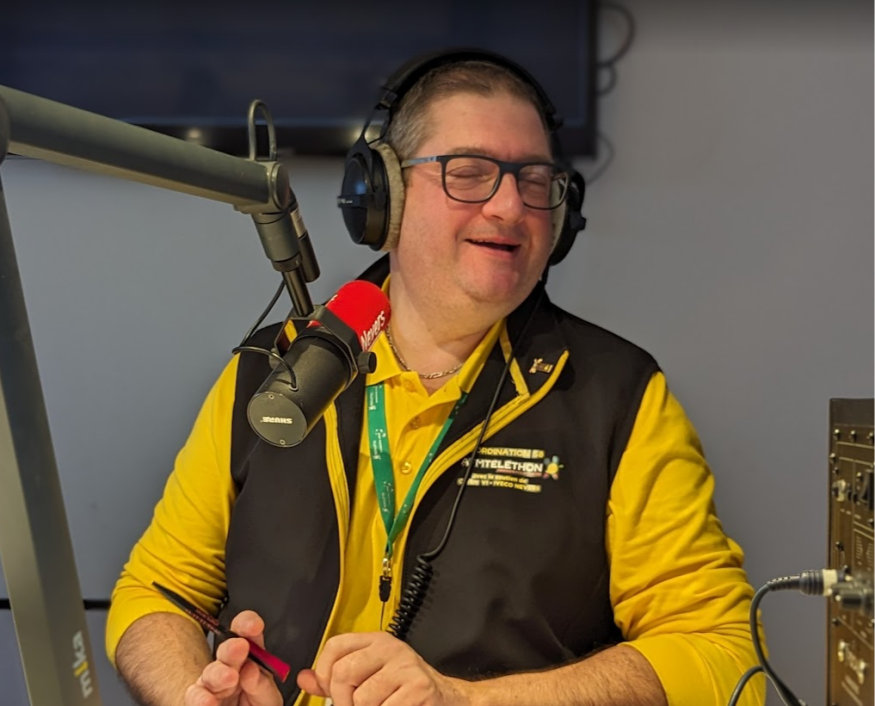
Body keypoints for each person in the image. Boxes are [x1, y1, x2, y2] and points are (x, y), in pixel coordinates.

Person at [106, 49, 765, 706]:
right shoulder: (270, 369)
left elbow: (721, 655)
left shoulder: (617, 395)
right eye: (469, 174)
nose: (509, 206)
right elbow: (154, 594)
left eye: (535, 180)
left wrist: (468, 702)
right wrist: (195, 694)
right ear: (383, 196)